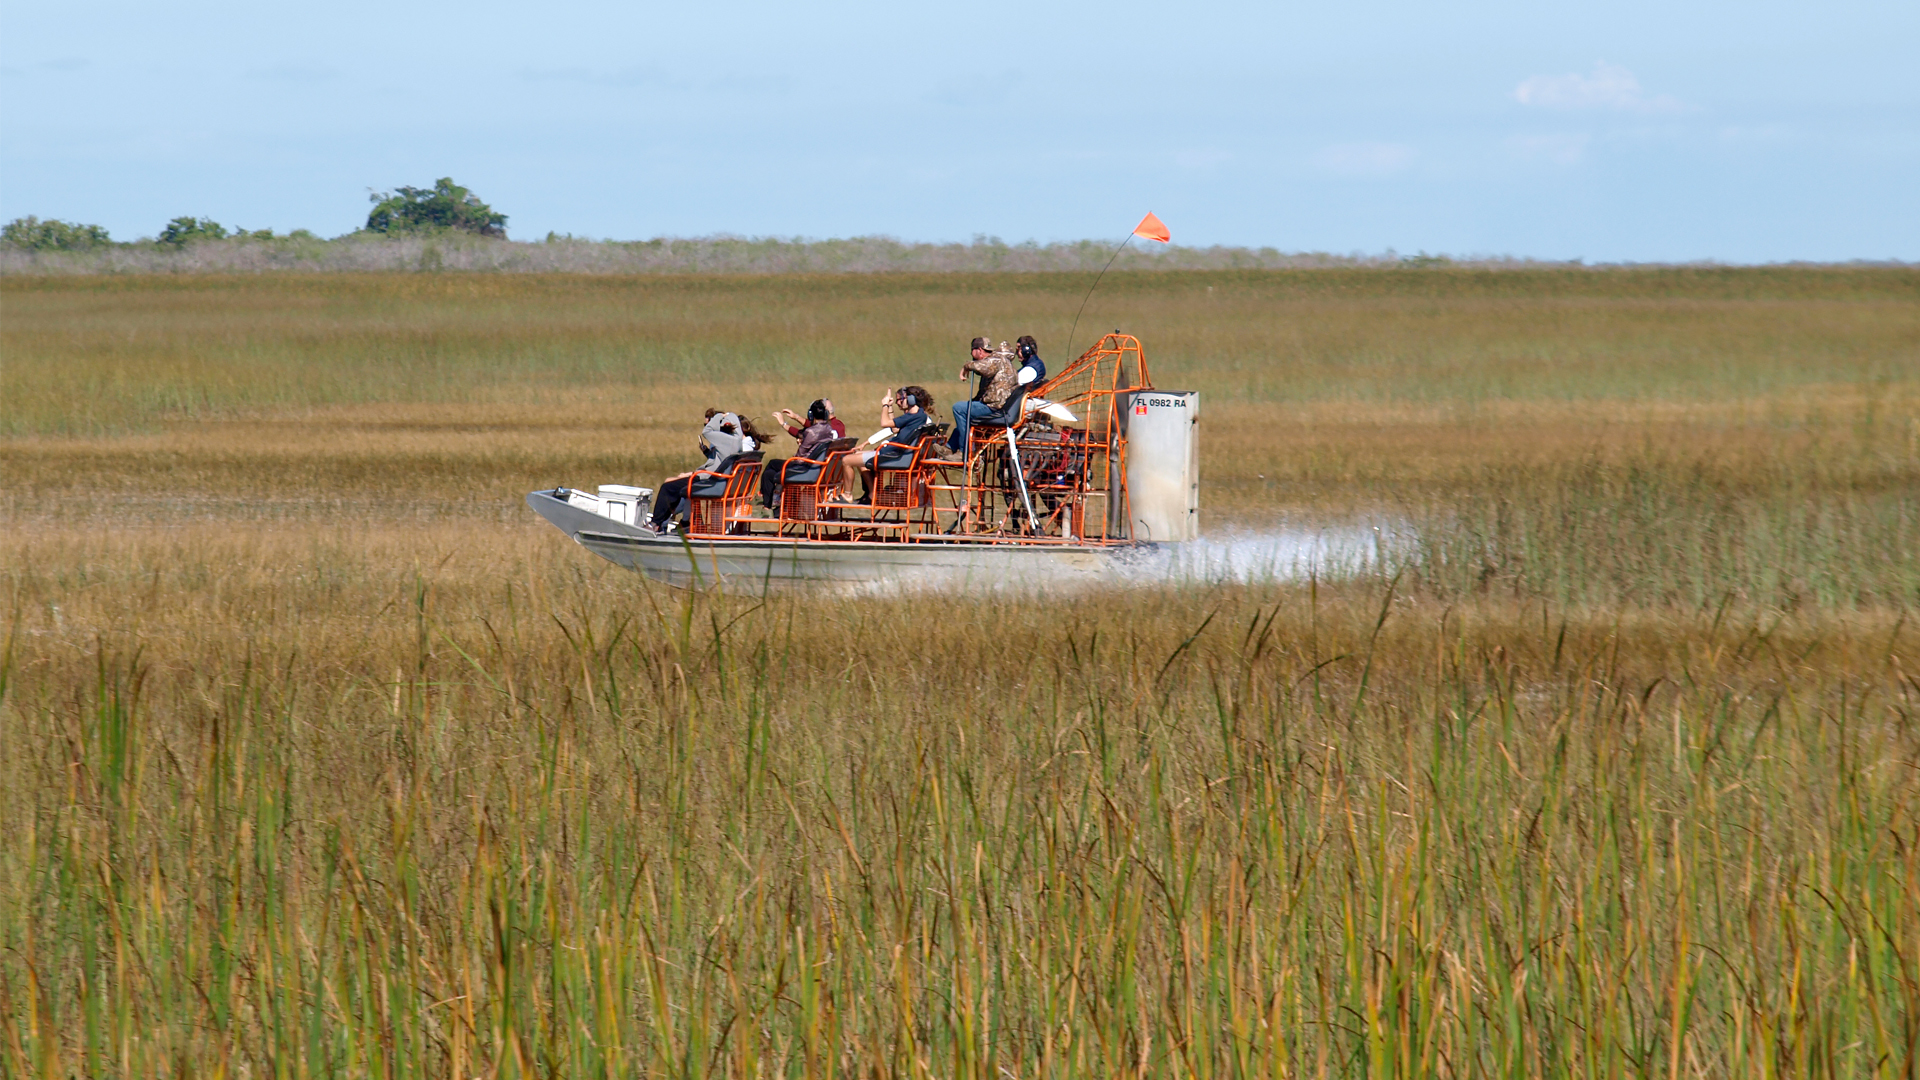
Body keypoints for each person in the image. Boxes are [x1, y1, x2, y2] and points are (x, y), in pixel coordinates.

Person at [646, 409, 749, 533]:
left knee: (667, 488)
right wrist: (730, 416)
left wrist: (718, 416)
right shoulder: (737, 441)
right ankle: (669, 522)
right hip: (717, 480)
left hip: (710, 481)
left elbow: (707, 432)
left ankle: (655, 524)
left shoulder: (725, 439)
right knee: (675, 487)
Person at [834, 386, 932, 503]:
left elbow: (884, 423)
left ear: (910, 400)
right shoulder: (920, 416)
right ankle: (873, 493)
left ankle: (848, 495)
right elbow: (895, 429)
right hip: (896, 452)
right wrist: (890, 407)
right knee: (858, 456)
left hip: (892, 454)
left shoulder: (912, 416)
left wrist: (885, 405)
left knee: (846, 460)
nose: (898, 403)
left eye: (902, 399)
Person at [761, 399, 843, 511]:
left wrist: (798, 441)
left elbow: (799, 456)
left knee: (771, 468)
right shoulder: (828, 429)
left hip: (805, 468)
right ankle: (773, 505)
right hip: (817, 467)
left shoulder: (811, 431)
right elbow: (806, 433)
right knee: (771, 472)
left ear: (811, 415)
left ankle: (767, 506)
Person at [948, 337, 1018, 453]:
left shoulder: (995, 360)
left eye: (972, 351)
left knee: (958, 408)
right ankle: (949, 447)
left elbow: (983, 368)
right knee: (966, 409)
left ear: (979, 350)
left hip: (995, 408)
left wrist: (967, 366)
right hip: (999, 406)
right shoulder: (998, 361)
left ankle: (965, 452)